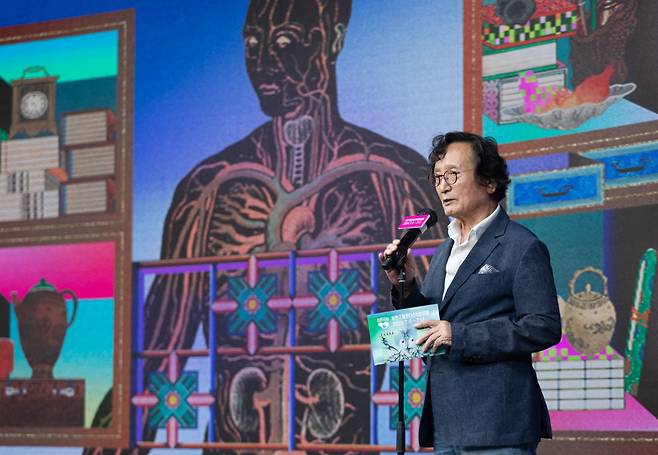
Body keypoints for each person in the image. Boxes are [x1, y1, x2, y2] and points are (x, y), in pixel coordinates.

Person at [86, 1, 446, 452]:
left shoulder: (393, 178)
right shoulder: (209, 188)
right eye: (253, 44)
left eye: (285, 40)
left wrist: (350, 332)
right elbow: (159, 349)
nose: (263, 61)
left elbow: (425, 343)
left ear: (332, 39)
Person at [378, 131, 562, 454]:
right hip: (447, 423)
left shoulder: (521, 246)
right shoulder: (444, 250)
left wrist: (458, 335)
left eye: (453, 174)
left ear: (489, 182)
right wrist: (403, 284)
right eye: (437, 177)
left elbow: (543, 326)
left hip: (498, 426)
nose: (443, 186)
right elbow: (433, 323)